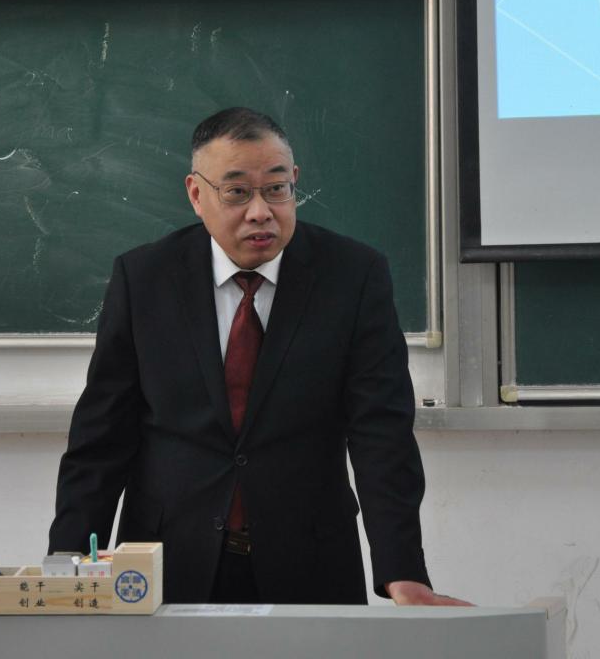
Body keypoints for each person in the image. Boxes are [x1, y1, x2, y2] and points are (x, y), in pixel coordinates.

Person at [49, 107, 468, 606]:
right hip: (166, 565)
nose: (260, 211)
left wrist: (403, 572)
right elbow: (102, 436)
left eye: (276, 188)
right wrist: (67, 561)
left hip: (311, 564)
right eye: (237, 192)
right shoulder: (144, 280)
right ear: (196, 194)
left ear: (294, 182)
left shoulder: (353, 276)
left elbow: (382, 435)